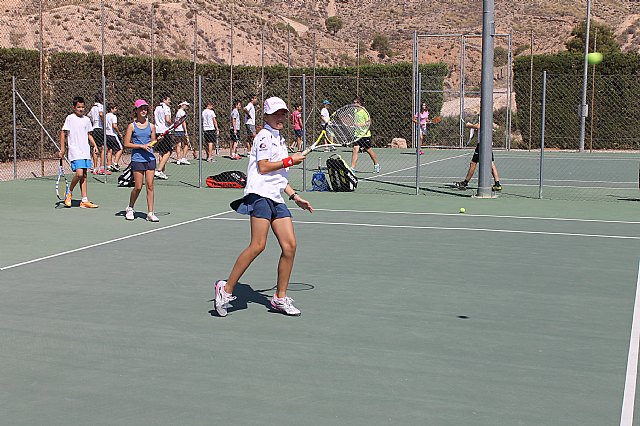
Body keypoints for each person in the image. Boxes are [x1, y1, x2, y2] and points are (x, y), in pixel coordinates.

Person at [214, 96, 313, 317]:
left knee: (290, 246)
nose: (280, 117)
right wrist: (290, 161)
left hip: (276, 198)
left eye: (283, 113)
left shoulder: (280, 139)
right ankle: (226, 288)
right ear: (266, 115)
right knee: (258, 245)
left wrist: (295, 196)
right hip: (259, 196)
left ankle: (279, 298)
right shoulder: (264, 137)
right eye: (276, 113)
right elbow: (264, 166)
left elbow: (278, 177)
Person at [59, 96, 99, 209]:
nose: (81, 109)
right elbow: (63, 133)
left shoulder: (86, 120)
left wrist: (95, 146)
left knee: (84, 175)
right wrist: (62, 149)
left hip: (85, 150)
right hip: (75, 151)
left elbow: (89, 135)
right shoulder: (70, 118)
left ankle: (84, 200)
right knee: (79, 173)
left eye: (82, 107)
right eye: (78, 107)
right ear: (74, 107)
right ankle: (69, 192)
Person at [122, 99, 159, 222]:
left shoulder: (152, 126)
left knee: (150, 185)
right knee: (138, 186)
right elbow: (126, 144)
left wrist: (154, 142)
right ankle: (130, 208)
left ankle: (150, 213)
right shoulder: (131, 126)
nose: (143, 110)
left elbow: (153, 143)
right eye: (141, 108)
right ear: (136, 110)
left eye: (145, 108)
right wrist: (140, 146)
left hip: (150, 158)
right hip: (137, 159)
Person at [454, 121, 502, 191]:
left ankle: (465, 183)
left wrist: (469, 125)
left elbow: (478, 126)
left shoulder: (485, 115)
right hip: (487, 144)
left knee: (473, 163)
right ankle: (497, 184)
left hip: (482, 145)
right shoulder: (487, 116)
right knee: (491, 163)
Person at [350, 96, 380, 173]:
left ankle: (376, 165)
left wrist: (360, 125)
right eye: (354, 102)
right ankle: (352, 168)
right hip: (357, 135)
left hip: (365, 135)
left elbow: (368, 122)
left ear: (360, 103)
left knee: (368, 150)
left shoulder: (364, 112)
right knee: (355, 149)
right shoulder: (355, 111)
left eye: (356, 102)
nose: (354, 104)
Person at [153, 94, 173, 179]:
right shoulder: (166, 108)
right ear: (164, 100)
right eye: (169, 99)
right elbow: (167, 119)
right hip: (165, 131)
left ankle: (161, 171)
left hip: (157, 131)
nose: (170, 101)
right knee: (168, 151)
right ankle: (159, 170)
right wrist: (172, 125)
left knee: (161, 152)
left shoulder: (157, 108)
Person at [88, 93, 107, 174]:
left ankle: (95, 168)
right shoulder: (100, 106)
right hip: (100, 128)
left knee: (95, 147)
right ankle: (102, 167)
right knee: (103, 147)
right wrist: (104, 122)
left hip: (94, 129)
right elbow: (101, 114)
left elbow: (88, 116)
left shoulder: (92, 108)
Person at [105, 103, 124, 172]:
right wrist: (119, 133)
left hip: (107, 134)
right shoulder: (113, 116)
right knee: (120, 148)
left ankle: (109, 165)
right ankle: (115, 164)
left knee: (109, 150)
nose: (116, 110)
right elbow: (114, 126)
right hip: (113, 134)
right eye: (115, 108)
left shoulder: (106, 116)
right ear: (111, 109)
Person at [174, 101, 191, 165]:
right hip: (181, 130)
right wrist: (185, 131)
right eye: (186, 105)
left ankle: (178, 159)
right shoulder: (182, 112)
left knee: (178, 144)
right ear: (182, 105)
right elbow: (183, 122)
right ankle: (183, 158)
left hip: (177, 130)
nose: (187, 106)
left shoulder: (178, 112)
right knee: (186, 143)